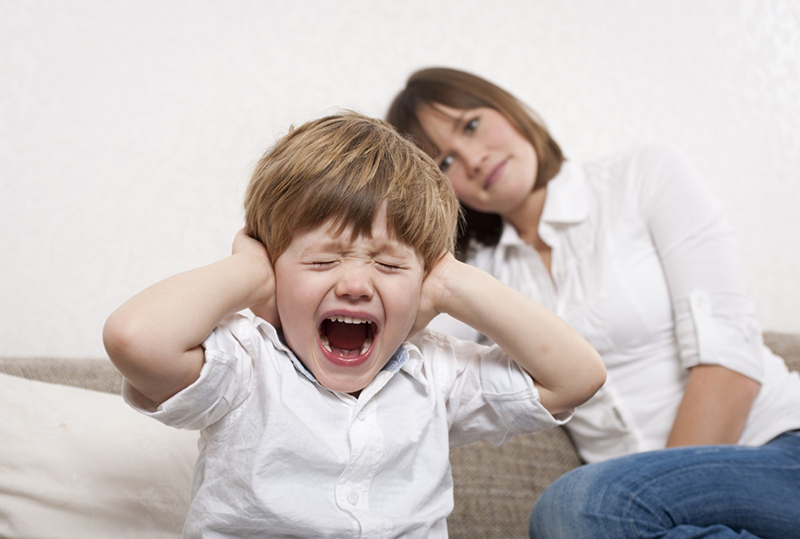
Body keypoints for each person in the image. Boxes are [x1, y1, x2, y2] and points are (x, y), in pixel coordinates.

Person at [102, 112, 605, 538]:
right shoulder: (244, 362)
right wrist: (251, 272)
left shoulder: (436, 373)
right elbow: (135, 338)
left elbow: (576, 378)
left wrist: (453, 281)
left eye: (389, 266)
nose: (357, 285)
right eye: (322, 262)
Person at [387, 67, 800, 538]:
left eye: (471, 125)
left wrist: (642, 492)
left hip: (775, 449)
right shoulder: (479, 273)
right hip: (641, 519)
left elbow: (729, 356)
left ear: (507, 109)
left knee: (574, 506)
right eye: (444, 162)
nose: (474, 159)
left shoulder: (642, 176)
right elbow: (405, 356)